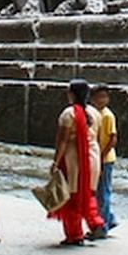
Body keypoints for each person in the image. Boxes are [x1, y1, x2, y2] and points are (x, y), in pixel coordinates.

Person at [50, 78, 106, 246]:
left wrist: (55, 162)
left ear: (72, 94)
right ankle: (95, 222)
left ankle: (74, 234)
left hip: (73, 159)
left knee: (72, 196)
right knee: (88, 193)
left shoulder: (68, 114)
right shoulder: (95, 113)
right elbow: (97, 137)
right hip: (92, 157)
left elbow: (63, 141)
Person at [90, 84, 119, 231]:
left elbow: (113, 139)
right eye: (98, 97)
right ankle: (110, 218)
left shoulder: (107, 115)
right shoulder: (95, 113)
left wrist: (101, 157)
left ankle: (104, 226)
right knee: (99, 191)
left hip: (105, 159)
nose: (102, 100)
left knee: (103, 192)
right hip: (97, 157)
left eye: (105, 97)